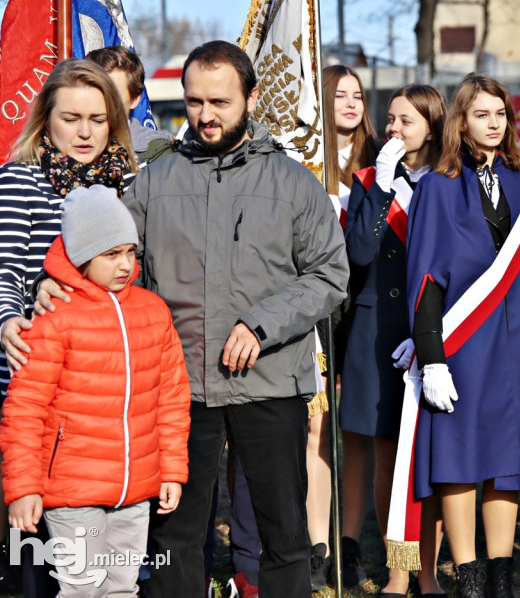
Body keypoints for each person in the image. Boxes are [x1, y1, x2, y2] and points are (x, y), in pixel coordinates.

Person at [29, 41, 350, 596]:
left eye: (220, 102)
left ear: (251, 98)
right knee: (174, 538)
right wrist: (50, 286)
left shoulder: (293, 183)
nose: (206, 115)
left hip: (269, 384)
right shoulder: (152, 181)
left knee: (284, 536)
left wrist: (261, 325)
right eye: (195, 101)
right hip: (177, 392)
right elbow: (108, 264)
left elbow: (329, 274)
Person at [405, 73, 520, 598]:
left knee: (506, 463)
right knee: (459, 461)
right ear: (460, 121)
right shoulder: (437, 187)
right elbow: (426, 280)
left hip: (519, 350)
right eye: (482, 114)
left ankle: (502, 580)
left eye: (501, 114)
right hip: (463, 350)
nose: (494, 124)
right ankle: (469, 580)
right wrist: (432, 359)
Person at [0, 185, 191, 597]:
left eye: (130, 252)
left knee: (123, 587)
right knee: (82, 588)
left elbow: (171, 398)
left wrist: (172, 469)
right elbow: (24, 409)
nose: (125, 265)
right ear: (82, 256)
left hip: (135, 487)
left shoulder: (152, 311)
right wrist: (23, 488)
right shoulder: (54, 318)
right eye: (111, 254)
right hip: (72, 489)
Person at [0, 58, 138, 598]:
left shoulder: (130, 183)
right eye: (71, 118)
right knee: (36, 539)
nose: (84, 132)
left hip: (106, 383)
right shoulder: (22, 178)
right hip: (39, 372)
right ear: (46, 119)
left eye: (98, 119)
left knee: (108, 546)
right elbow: (6, 266)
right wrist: (11, 314)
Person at [342, 84, 447, 596]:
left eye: (405, 121)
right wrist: (382, 186)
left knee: (434, 455)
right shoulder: (370, 181)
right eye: (389, 120)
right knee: (388, 454)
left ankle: (428, 572)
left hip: (438, 331)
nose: (392, 130)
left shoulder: (453, 181)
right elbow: (360, 252)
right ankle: (397, 569)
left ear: (431, 125)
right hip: (379, 331)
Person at [323, 64, 380, 588]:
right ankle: (317, 537)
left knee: (361, 435)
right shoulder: (303, 161)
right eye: (339, 94)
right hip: (319, 310)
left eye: (357, 95)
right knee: (318, 431)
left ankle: (353, 541)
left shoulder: (378, 158)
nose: (350, 102)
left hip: (363, 308)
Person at [85, 46, 176, 163]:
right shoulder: (62, 148)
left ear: (134, 99)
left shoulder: (161, 156)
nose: (99, 101)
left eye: (112, 94)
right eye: (91, 90)